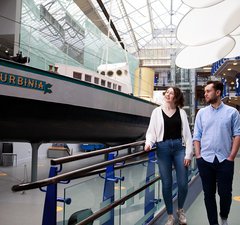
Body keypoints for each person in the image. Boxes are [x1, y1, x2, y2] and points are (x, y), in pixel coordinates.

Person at [193, 80, 240, 225]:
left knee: (225, 194)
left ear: (218, 92)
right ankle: (213, 223)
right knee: (209, 195)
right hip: (205, 160)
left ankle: (224, 217)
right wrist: (198, 156)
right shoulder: (201, 113)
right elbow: (197, 136)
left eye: (208, 91)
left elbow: (237, 135)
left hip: (225, 160)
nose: (205, 94)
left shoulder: (232, 112)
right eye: (205, 91)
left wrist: (231, 157)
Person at [145, 86, 193, 225]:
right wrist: (149, 143)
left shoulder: (182, 113)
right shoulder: (156, 112)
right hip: (163, 148)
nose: (168, 94)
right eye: (167, 92)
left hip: (179, 148)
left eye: (171, 93)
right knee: (166, 184)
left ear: (176, 97)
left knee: (183, 183)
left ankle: (180, 210)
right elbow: (151, 132)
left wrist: (188, 154)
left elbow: (188, 135)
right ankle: (170, 215)